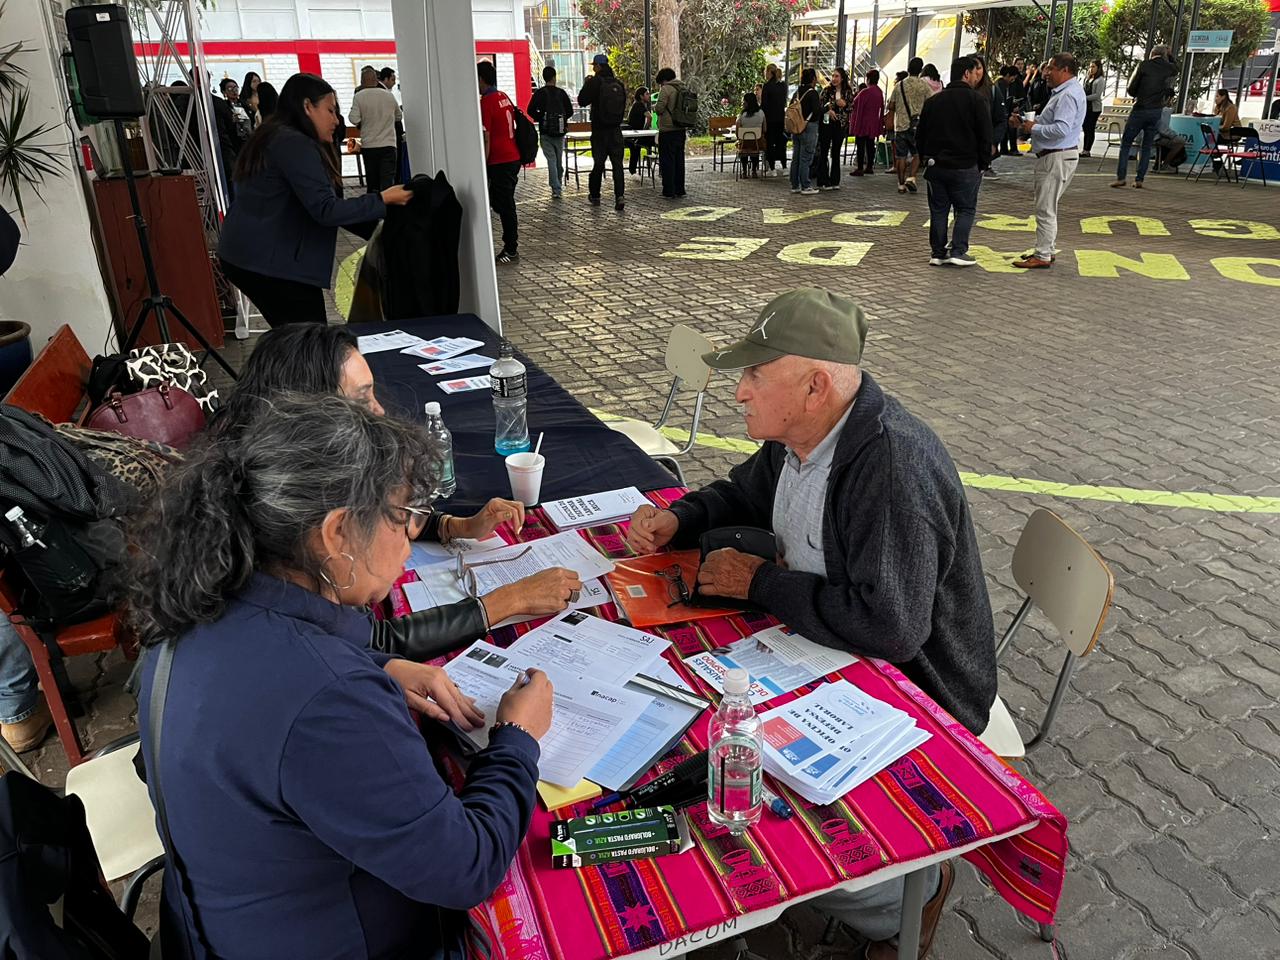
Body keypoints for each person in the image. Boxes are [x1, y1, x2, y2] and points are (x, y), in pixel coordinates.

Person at [627, 287, 996, 957]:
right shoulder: (802, 436)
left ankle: (912, 894)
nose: (738, 392)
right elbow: (742, 491)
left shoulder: (889, 469)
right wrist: (679, 516)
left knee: (768, 808)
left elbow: (892, 629)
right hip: (827, 646)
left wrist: (763, 582)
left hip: (917, 686)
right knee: (703, 743)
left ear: (815, 386)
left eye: (754, 376)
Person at [130, 394, 554, 958]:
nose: (410, 539)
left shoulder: (200, 594)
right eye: (403, 518)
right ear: (334, 535)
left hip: (211, 919)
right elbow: (467, 869)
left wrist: (381, 664)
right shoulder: (327, 696)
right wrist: (516, 741)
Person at [209, 323, 582, 659]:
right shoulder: (284, 539)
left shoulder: (274, 476)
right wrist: (511, 599)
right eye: (361, 400)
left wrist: (456, 527)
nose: (380, 411)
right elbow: (369, 639)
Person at [218, 73, 412, 326]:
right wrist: (383, 199)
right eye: (330, 111)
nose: (336, 120)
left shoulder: (275, 135)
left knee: (298, 339)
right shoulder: (294, 143)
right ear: (307, 106)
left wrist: (383, 230)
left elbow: (320, 204)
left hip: (249, 256)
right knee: (309, 341)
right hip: (271, 264)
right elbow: (326, 210)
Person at [917, 56, 992, 267]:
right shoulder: (977, 101)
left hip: (936, 166)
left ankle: (937, 253)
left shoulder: (934, 101)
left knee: (939, 210)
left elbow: (920, 135)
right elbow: (985, 136)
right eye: (974, 72)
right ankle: (958, 250)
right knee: (966, 209)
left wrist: (926, 156)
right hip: (966, 166)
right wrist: (984, 163)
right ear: (966, 74)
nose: (977, 77)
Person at [1014, 53, 1085, 269]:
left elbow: (1061, 129)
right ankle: (1047, 249)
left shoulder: (1067, 95)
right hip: (1058, 155)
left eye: (1051, 68)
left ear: (1065, 70)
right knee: (1048, 205)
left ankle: (1043, 253)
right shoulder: (1066, 92)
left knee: (1045, 208)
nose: (1046, 73)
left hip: (1056, 156)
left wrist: (1033, 128)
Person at [476, 60, 522, 265]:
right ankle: (510, 244)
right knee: (504, 202)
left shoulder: (486, 102)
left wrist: (483, 165)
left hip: (499, 160)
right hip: (513, 157)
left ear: (481, 80)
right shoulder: (504, 97)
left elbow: (486, 137)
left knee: (504, 205)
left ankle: (511, 248)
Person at [1112, 45, 1177, 188]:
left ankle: (1121, 177)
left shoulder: (1143, 65)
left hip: (1140, 109)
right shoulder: (1168, 68)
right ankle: (1139, 179)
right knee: (1146, 146)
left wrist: (1138, 93)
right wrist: (1170, 55)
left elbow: (1131, 89)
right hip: (1155, 111)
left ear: (1152, 53)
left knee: (1126, 143)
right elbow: (1175, 67)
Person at [578, 53, 628, 211]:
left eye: (594, 65)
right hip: (616, 130)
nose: (593, 68)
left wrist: (586, 84)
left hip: (600, 131)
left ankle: (595, 195)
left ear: (599, 66)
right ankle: (620, 196)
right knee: (617, 165)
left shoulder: (595, 82)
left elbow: (581, 101)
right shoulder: (618, 84)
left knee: (598, 164)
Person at [350, 66, 403, 194]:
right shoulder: (389, 96)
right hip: (389, 145)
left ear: (362, 81)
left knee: (373, 182)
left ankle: (374, 208)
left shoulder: (359, 96)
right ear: (376, 80)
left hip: (369, 146)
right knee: (387, 182)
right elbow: (398, 116)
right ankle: (389, 210)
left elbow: (353, 118)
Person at [527, 64, 575, 199]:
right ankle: (558, 182)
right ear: (554, 77)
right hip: (560, 133)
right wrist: (562, 119)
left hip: (545, 132)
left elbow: (530, 109)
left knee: (551, 160)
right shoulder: (561, 93)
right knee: (558, 160)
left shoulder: (539, 93)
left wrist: (541, 117)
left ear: (544, 78)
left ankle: (556, 189)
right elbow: (570, 111)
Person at [889, 57, 934, 195]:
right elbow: (931, 102)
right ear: (920, 70)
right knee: (917, 154)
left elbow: (891, 105)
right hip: (917, 126)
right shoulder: (924, 86)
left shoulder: (899, 85)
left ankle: (901, 185)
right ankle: (912, 177)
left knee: (900, 156)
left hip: (901, 126)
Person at [816, 67, 853, 191]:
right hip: (826, 124)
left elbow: (851, 107)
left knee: (836, 152)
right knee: (824, 151)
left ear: (842, 78)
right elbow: (820, 105)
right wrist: (829, 110)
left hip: (840, 124)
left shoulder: (847, 91)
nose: (834, 79)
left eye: (837, 76)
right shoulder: (826, 90)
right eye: (833, 76)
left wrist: (845, 104)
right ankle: (823, 180)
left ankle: (835, 180)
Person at [655, 67, 689, 199]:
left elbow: (659, 109)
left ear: (664, 80)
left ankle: (669, 190)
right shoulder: (683, 88)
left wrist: (657, 107)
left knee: (667, 161)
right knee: (679, 160)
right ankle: (680, 189)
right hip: (681, 128)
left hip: (668, 130)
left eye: (661, 83)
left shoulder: (666, 89)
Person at [790, 67, 823, 195]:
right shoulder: (812, 93)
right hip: (809, 127)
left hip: (796, 127)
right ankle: (806, 185)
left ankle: (795, 184)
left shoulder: (797, 92)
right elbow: (816, 111)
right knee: (806, 157)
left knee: (796, 157)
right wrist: (826, 109)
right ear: (813, 79)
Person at [973, 56, 1005, 179]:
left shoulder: (992, 90)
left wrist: (993, 142)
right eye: (971, 69)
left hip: (982, 147)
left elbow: (1000, 119)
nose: (975, 72)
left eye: (979, 68)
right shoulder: (956, 91)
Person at [849, 69, 883, 175]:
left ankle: (859, 168)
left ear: (868, 79)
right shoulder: (879, 91)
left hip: (863, 121)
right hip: (873, 121)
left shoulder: (865, 92)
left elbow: (854, 103)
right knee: (870, 144)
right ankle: (869, 166)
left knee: (860, 144)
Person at [761, 63, 789, 175]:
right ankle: (784, 167)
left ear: (768, 72)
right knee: (780, 143)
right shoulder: (783, 85)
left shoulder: (767, 86)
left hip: (770, 119)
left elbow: (764, 105)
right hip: (780, 118)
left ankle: (772, 168)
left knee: (770, 143)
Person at [735, 91, 767, 177]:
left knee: (743, 147)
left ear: (747, 102)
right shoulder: (761, 113)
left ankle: (744, 171)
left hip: (744, 144)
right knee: (754, 148)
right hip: (758, 143)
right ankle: (754, 171)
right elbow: (764, 129)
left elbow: (737, 131)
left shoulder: (742, 115)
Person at [627, 87, 653, 176]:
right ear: (641, 96)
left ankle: (633, 168)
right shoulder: (639, 105)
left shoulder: (636, 104)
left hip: (633, 134)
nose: (649, 96)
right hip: (634, 135)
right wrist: (645, 130)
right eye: (647, 94)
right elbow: (649, 117)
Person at [1081, 60, 1105, 157]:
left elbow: (1097, 95)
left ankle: (1087, 150)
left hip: (1094, 108)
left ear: (1098, 68)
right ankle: (1084, 148)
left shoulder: (1100, 80)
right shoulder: (1087, 79)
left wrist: (1084, 98)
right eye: (1090, 67)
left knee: (1090, 128)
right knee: (1085, 127)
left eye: (1093, 67)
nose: (1091, 69)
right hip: (1086, 107)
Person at [996, 67, 1020, 155]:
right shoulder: (1000, 84)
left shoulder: (1007, 85)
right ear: (1007, 75)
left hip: (1006, 111)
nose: (1012, 81)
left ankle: (1005, 149)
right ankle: (1003, 149)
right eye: (1012, 78)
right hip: (1002, 112)